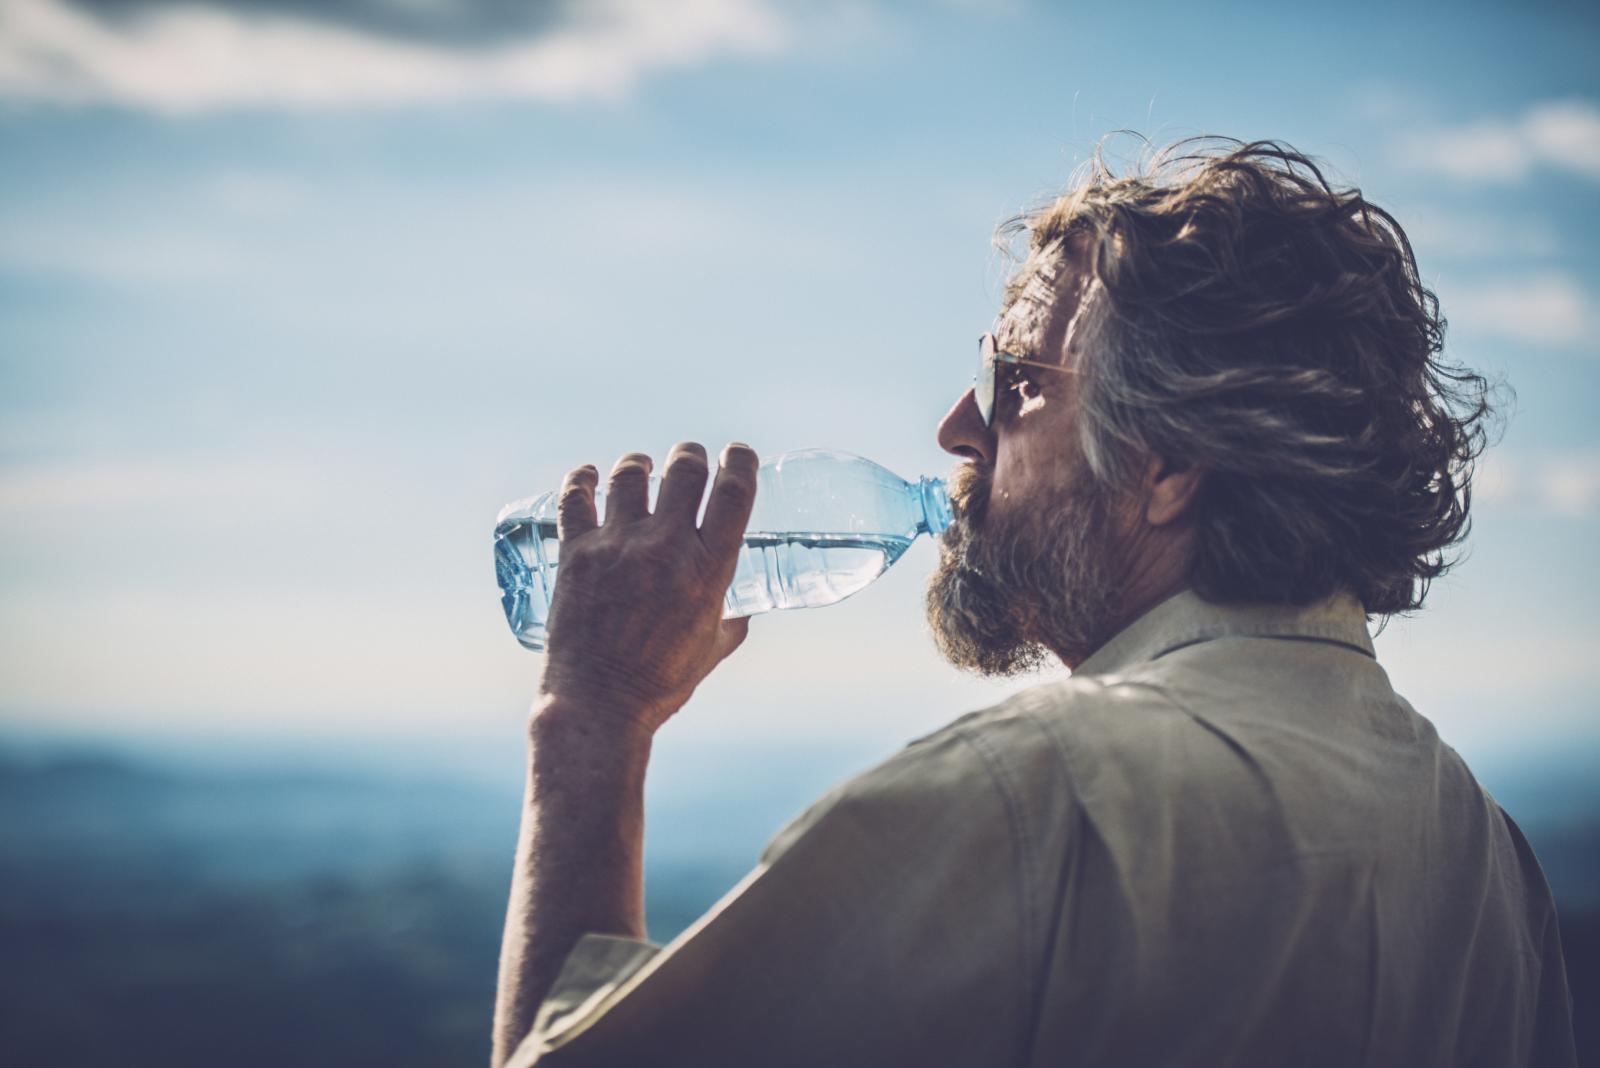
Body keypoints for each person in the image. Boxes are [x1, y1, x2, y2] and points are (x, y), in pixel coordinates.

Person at [489, 138, 1578, 1067]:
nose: (959, 429)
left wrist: (592, 712)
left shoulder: (1035, 799)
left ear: (1168, 466)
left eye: (1015, 383)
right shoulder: (1483, 858)